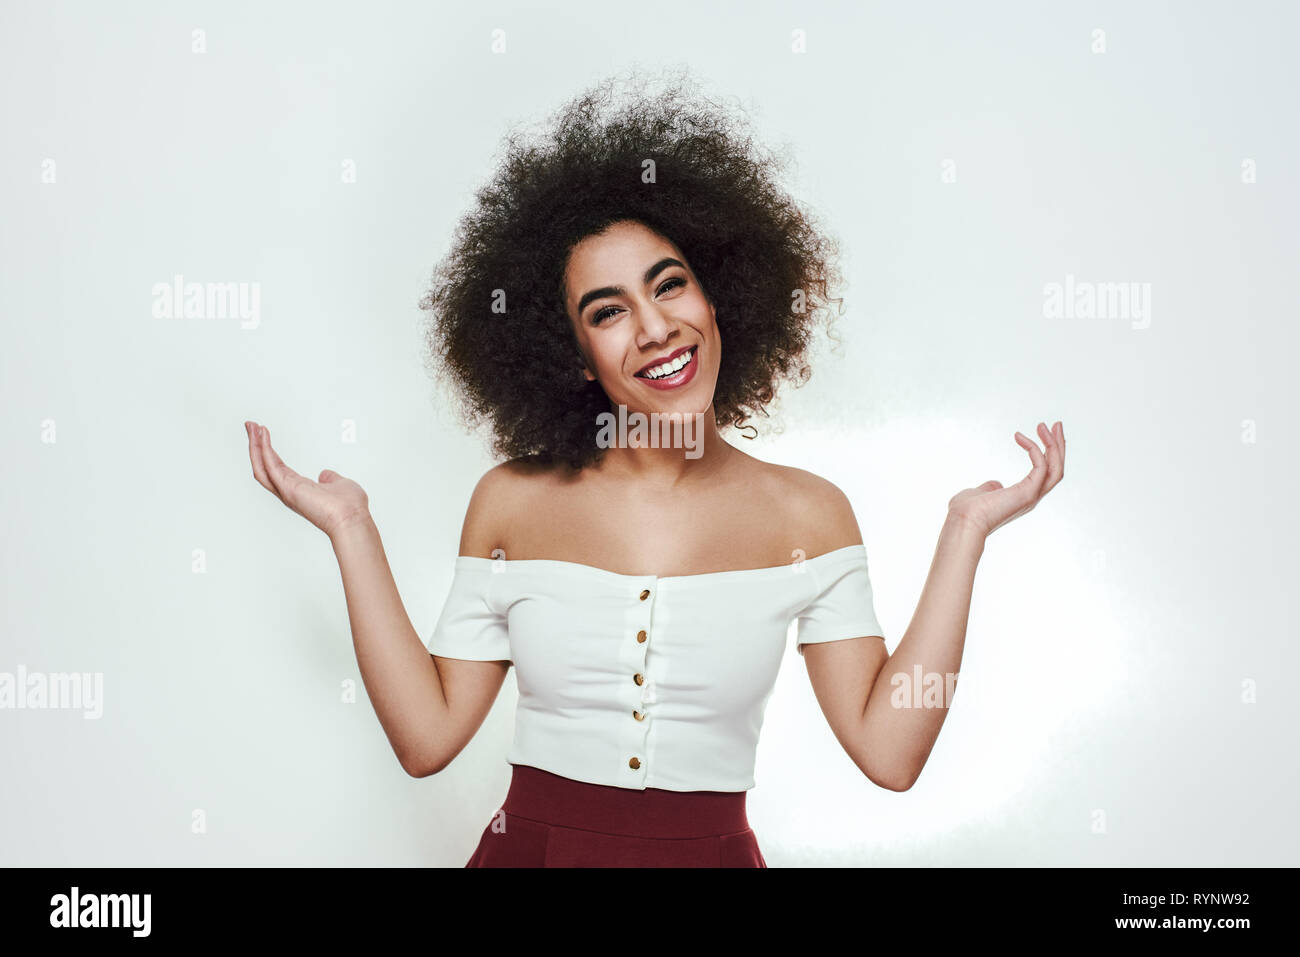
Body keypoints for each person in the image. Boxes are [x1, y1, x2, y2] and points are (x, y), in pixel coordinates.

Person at [242, 68, 1066, 867]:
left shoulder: (808, 517)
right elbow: (426, 740)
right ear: (572, 355)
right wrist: (351, 529)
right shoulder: (511, 502)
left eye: (670, 286)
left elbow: (890, 753)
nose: (655, 328)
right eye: (607, 311)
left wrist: (965, 532)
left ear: (720, 299)